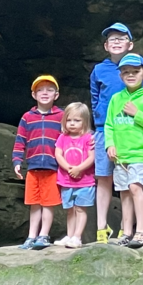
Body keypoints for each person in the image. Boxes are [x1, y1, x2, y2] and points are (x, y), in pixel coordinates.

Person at [90, 22, 143, 243]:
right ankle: (101, 227)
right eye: (111, 39)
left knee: (130, 182)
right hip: (104, 130)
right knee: (104, 177)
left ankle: (130, 229)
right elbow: (95, 97)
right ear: (106, 45)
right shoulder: (99, 70)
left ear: (130, 44)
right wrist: (98, 122)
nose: (116, 41)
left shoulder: (139, 70)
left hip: (130, 131)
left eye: (121, 37)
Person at [104, 53, 143, 249]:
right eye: (126, 72)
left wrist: (137, 114)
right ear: (120, 76)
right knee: (124, 193)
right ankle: (126, 232)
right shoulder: (115, 99)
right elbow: (109, 125)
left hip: (140, 153)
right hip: (121, 156)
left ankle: (141, 231)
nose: (130, 75)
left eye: (135, 71)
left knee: (136, 188)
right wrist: (109, 144)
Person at [12, 74, 64, 250]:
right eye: (40, 90)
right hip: (33, 167)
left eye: (49, 90)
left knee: (48, 203)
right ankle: (31, 236)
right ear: (34, 95)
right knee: (34, 203)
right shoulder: (27, 117)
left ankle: (43, 235)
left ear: (56, 95)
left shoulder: (61, 116)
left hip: (53, 167)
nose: (44, 93)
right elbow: (20, 140)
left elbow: (71, 136)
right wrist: (17, 161)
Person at [54, 102, 95, 248]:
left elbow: (92, 157)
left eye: (77, 120)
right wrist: (68, 168)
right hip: (66, 181)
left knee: (80, 209)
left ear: (85, 121)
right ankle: (69, 235)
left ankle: (77, 237)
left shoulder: (88, 138)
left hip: (85, 181)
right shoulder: (62, 138)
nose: (72, 124)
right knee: (70, 210)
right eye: (69, 120)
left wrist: (79, 169)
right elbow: (58, 154)